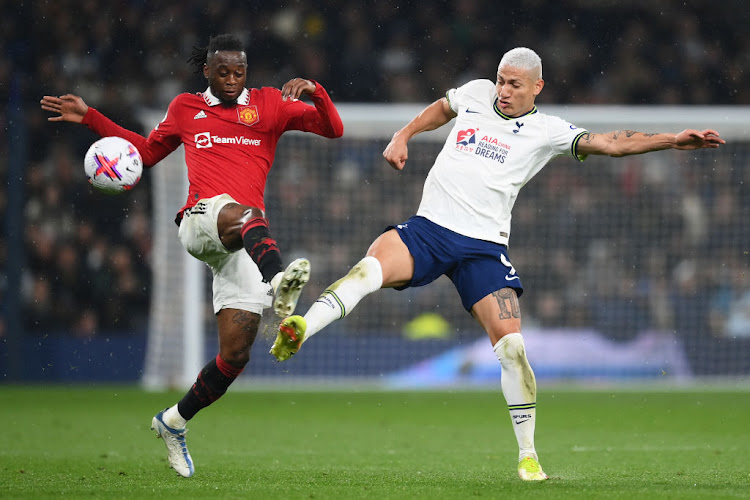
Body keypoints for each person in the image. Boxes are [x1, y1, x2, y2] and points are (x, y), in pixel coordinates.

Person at [269, 47, 725, 481]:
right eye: (502, 81)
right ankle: (301, 329)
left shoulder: (548, 130)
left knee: (512, 349)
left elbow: (611, 143)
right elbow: (440, 109)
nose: (504, 91)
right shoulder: (475, 93)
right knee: (368, 269)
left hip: (484, 248)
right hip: (429, 229)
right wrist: (403, 134)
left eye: (515, 85)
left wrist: (673, 140)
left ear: (537, 86)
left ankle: (528, 457)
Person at [41, 33, 343, 478]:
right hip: (202, 221)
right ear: (207, 70)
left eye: (239, 72)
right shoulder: (186, 107)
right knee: (244, 214)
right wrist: (91, 118)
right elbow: (144, 153)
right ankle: (280, 280)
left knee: (235, 356)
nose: (232, 80)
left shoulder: (268, 105)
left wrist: (316, 90)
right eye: (223, 72)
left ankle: (173, 422)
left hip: (243, 244)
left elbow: (332, 128)